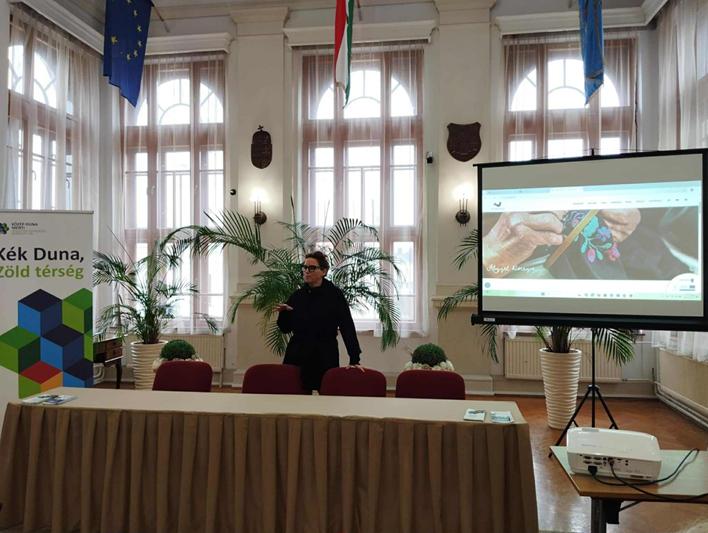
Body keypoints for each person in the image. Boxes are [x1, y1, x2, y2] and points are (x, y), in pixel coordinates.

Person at [275, 251, 363, 392]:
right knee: (294, 396)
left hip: (324, 353)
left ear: (324, 271)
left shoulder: (334, 295)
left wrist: (354, 357)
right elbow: (285, 328)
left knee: (327, 395)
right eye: (304, 267)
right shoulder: (297, 296)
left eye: (311, 268)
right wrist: (284, 314)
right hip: (298, 353)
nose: (306, 271)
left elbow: (347, 326)